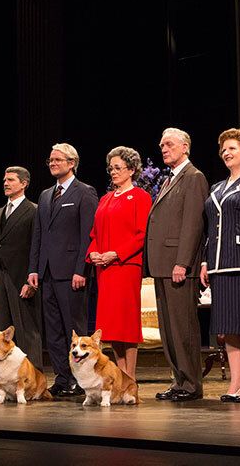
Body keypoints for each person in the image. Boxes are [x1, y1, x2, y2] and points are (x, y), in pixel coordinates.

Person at [28, 143, 98, 396]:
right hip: (46, 273)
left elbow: (88, 235)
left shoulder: (84, 192)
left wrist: (82, 269)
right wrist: (33, 269)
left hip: (71, 273)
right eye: (50, 160)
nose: (52, 163)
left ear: (72, 163)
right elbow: (39, 235)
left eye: (57, 160)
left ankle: (81, 381)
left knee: (74, 330)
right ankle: (62, 377)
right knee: (54, 330)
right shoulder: (46, 195)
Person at [144, 127, 208, 402]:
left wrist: (182, 262)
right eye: (161, 145)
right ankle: (179, 380)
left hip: (178, 267)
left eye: (168, 144)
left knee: (183, 329)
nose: (163, 148)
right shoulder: (170, 179)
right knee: (168, 330)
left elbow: (193, 224)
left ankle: (192, 384)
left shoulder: (194, 177)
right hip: (162, 265)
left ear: (185, 147)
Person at [200, 128, 240, 402]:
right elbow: (208, 227)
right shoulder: (216, 187)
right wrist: (205, 259)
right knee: (228, 327)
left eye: (232, 149)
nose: (226, 153)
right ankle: (235, 381)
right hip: (217, 263)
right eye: (223, 149)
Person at [87, 147, 152, 380]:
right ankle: (120, 376)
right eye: (110, 168)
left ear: (132, 170)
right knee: (112, 326)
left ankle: (130, 378)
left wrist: (117, 253)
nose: (113, 172)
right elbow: (94, 233)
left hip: (125, 267)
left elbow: (142, 234)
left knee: (125, 324)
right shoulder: (105, 199)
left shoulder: (141, 197)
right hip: (104, 269)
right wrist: (93, 253)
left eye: (118, 168)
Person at [0, 167, 42, 375]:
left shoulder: (33, 210)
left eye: (10, 180)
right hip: (0, 275)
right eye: (4, 180)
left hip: (21, 276)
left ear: (23, 183)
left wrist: (31, 279)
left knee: (26, 328)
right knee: (2, 329)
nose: (6, 183)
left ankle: (33, 375)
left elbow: (37, 246)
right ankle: (5, 377)